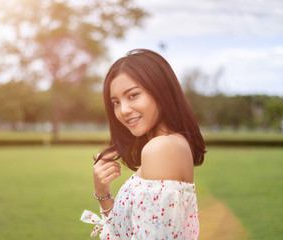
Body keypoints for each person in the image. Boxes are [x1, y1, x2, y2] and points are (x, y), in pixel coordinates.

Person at [81, 49, 206, 239]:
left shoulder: (161, 149)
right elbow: (128, 231)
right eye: (115, 102)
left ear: (160, 91)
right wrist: (103, 194)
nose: (123, 110)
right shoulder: (167, 145)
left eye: (132, 95)